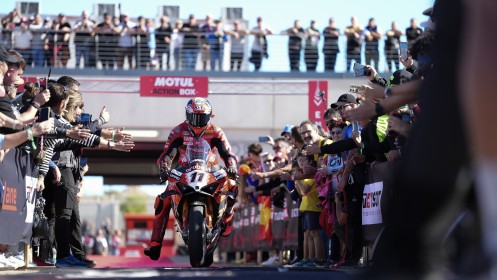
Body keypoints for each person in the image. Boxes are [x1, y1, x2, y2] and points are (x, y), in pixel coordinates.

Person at [144, 97, 239, 260]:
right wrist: (164, 167)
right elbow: (167, 153)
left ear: (209, 116)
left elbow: (226, 152)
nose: (198, 121)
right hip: (184, 168)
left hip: (210, 168)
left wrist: (231, 165)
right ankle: (155, 245)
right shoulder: (178, 131)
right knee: (163, 200)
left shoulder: (216, 131)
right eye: (194, 116)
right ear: (187, 115)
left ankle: (228, 216)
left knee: (232, 185)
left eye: (202, 117)